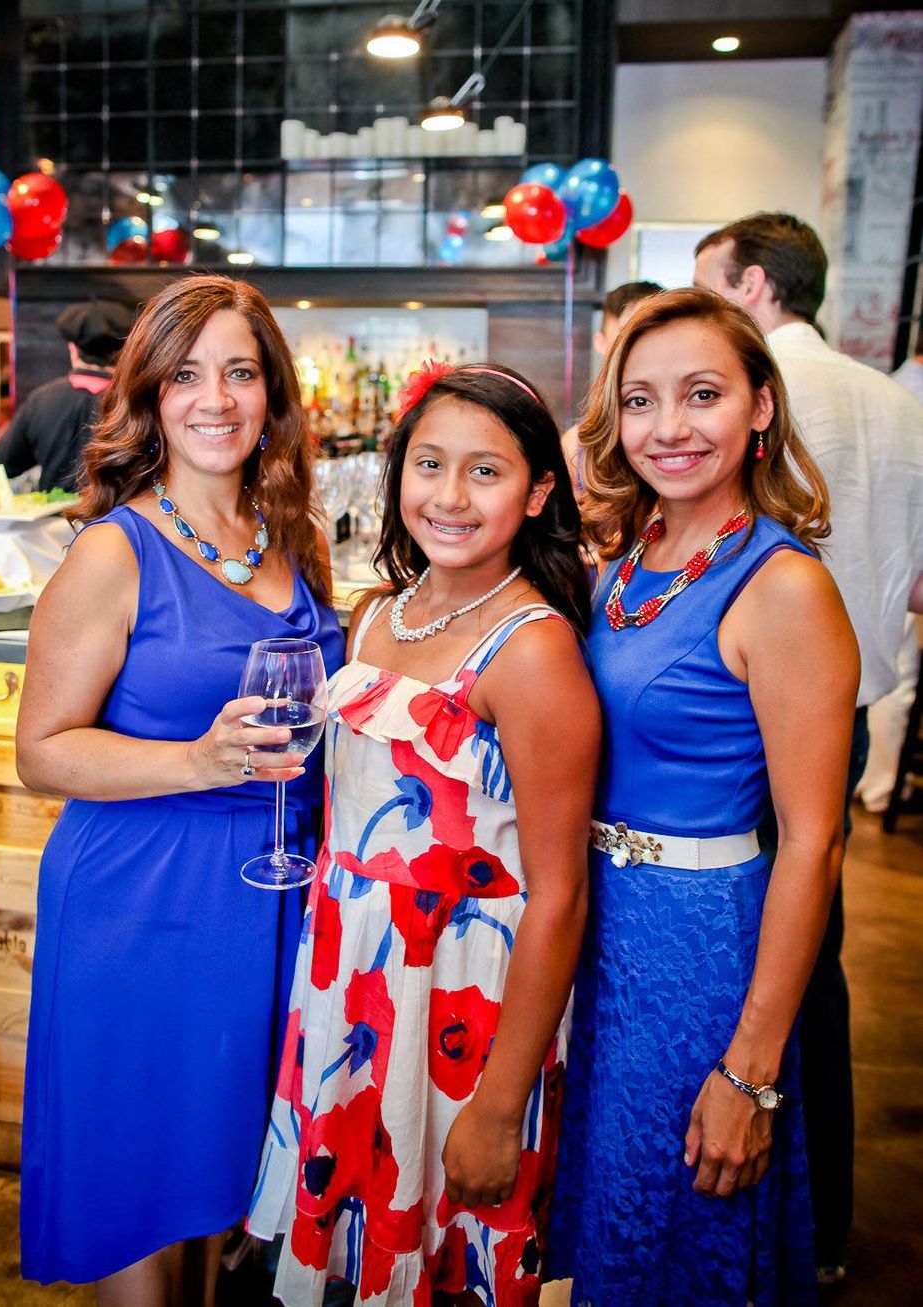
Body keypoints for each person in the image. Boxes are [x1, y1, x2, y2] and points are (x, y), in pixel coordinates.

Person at [16, 275, 345, 1305]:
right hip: (141, 897)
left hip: (270, 898)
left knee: (216, 1192)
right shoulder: (114, 552)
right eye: (188, 374)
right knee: (137, 1197)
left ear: (271, 393)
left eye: (240, 372)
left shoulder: (290, 534)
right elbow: (41, 750)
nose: (216, 398)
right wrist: (194, 761)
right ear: (151, 396)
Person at [247, 361, 600, 1304]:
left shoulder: (532, 651)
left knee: (445, 1243)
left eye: (486, 472)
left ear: (537, 493)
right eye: (429, 465)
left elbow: (560, 895)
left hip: (460, 996)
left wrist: (499, 1104)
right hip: (350, 976)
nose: (449, 496)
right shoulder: (372, 616)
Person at [547, 288, 859, 1304]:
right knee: (609, 1224)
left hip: (695, 947)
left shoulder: (781, 587)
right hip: (598, 933)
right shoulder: (629, 558)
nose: (667, 426)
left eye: (701, 394)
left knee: (680, 1228)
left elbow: (812, 842)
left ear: (759, 407)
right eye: (640, 400)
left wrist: (750, 1070)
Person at [694, 212, 923, 1279]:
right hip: (853, 702)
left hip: (741, 708)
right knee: (813, 963)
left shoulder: (758, 398)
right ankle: (821, 1219)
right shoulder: (889, 394)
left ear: (748, 286)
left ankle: (738, 1208)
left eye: (706, 290)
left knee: (747, 953)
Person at [0, 298, 135, 492]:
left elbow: (4, 464)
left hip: (55, 518)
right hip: (120, 520)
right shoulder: (137, 400)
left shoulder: (40, 399)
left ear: (73, 349)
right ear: (125, 351)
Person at [563, 281, 664, 486]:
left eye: (651, 335)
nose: (640, 348)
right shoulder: (575, 446)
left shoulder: (683, 434)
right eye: (626, 336)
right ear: (601, 343)